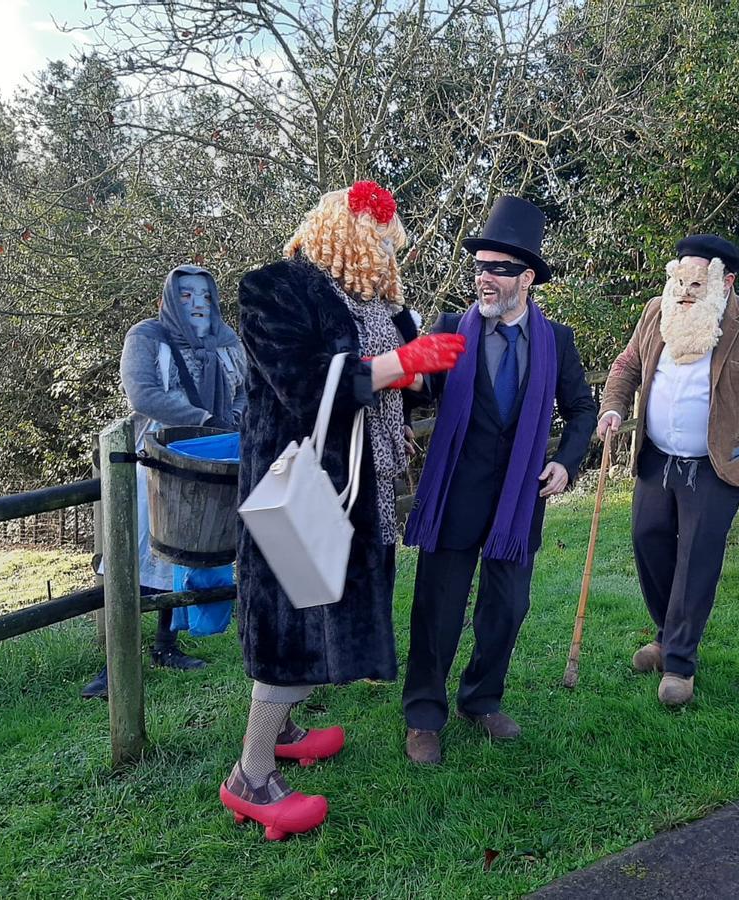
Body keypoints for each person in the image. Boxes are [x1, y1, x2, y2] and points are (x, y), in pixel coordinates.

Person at [221, 181, 464, 839]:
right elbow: (304, 387)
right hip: (301, 490)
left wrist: (428, 363)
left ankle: (285, 731)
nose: (391, 257)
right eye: (383, 243)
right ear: (349, 235)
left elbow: (412, 392)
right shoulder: (274, 287)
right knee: (294, 628)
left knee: (328, 619)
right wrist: (398, 364)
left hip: (367, 495)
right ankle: (250, 773)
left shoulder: (385, 307)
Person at [401, 196, 596, 765]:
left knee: (507, 608)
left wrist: (566, 461)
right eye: (479, 267)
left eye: (497, 269)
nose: (483, 278)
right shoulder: (448, 330)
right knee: (438, 605)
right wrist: (409, 377)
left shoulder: (556, 341)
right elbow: (416, 391)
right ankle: (423, 714)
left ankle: (482, 699)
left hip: (520, 498)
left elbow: (580, 410)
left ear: (526, 278)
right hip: (455, 494)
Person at [597, 235, 739, 706]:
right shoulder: (656, 311)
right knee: (648, 541)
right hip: (656, 457)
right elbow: (628, 364)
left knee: (696, 559)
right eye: (679, 279)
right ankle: (667, 634)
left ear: (725, 282)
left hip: (717, 466)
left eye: (697, 281)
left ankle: (681, 663)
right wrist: (613, 406)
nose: (685, 290)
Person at [81, 264, 247, 699]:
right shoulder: (147, 337)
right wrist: (202, 419)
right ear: (170, 299)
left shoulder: (227, 342)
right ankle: (116, 662)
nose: (197, 304)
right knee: (137, 557)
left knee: (184, 551)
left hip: (213, 460)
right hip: (151, 459)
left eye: (205, 296)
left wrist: (235, 424)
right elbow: (144, 394)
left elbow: (247, 390)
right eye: (187, 295)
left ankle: (165, 646)